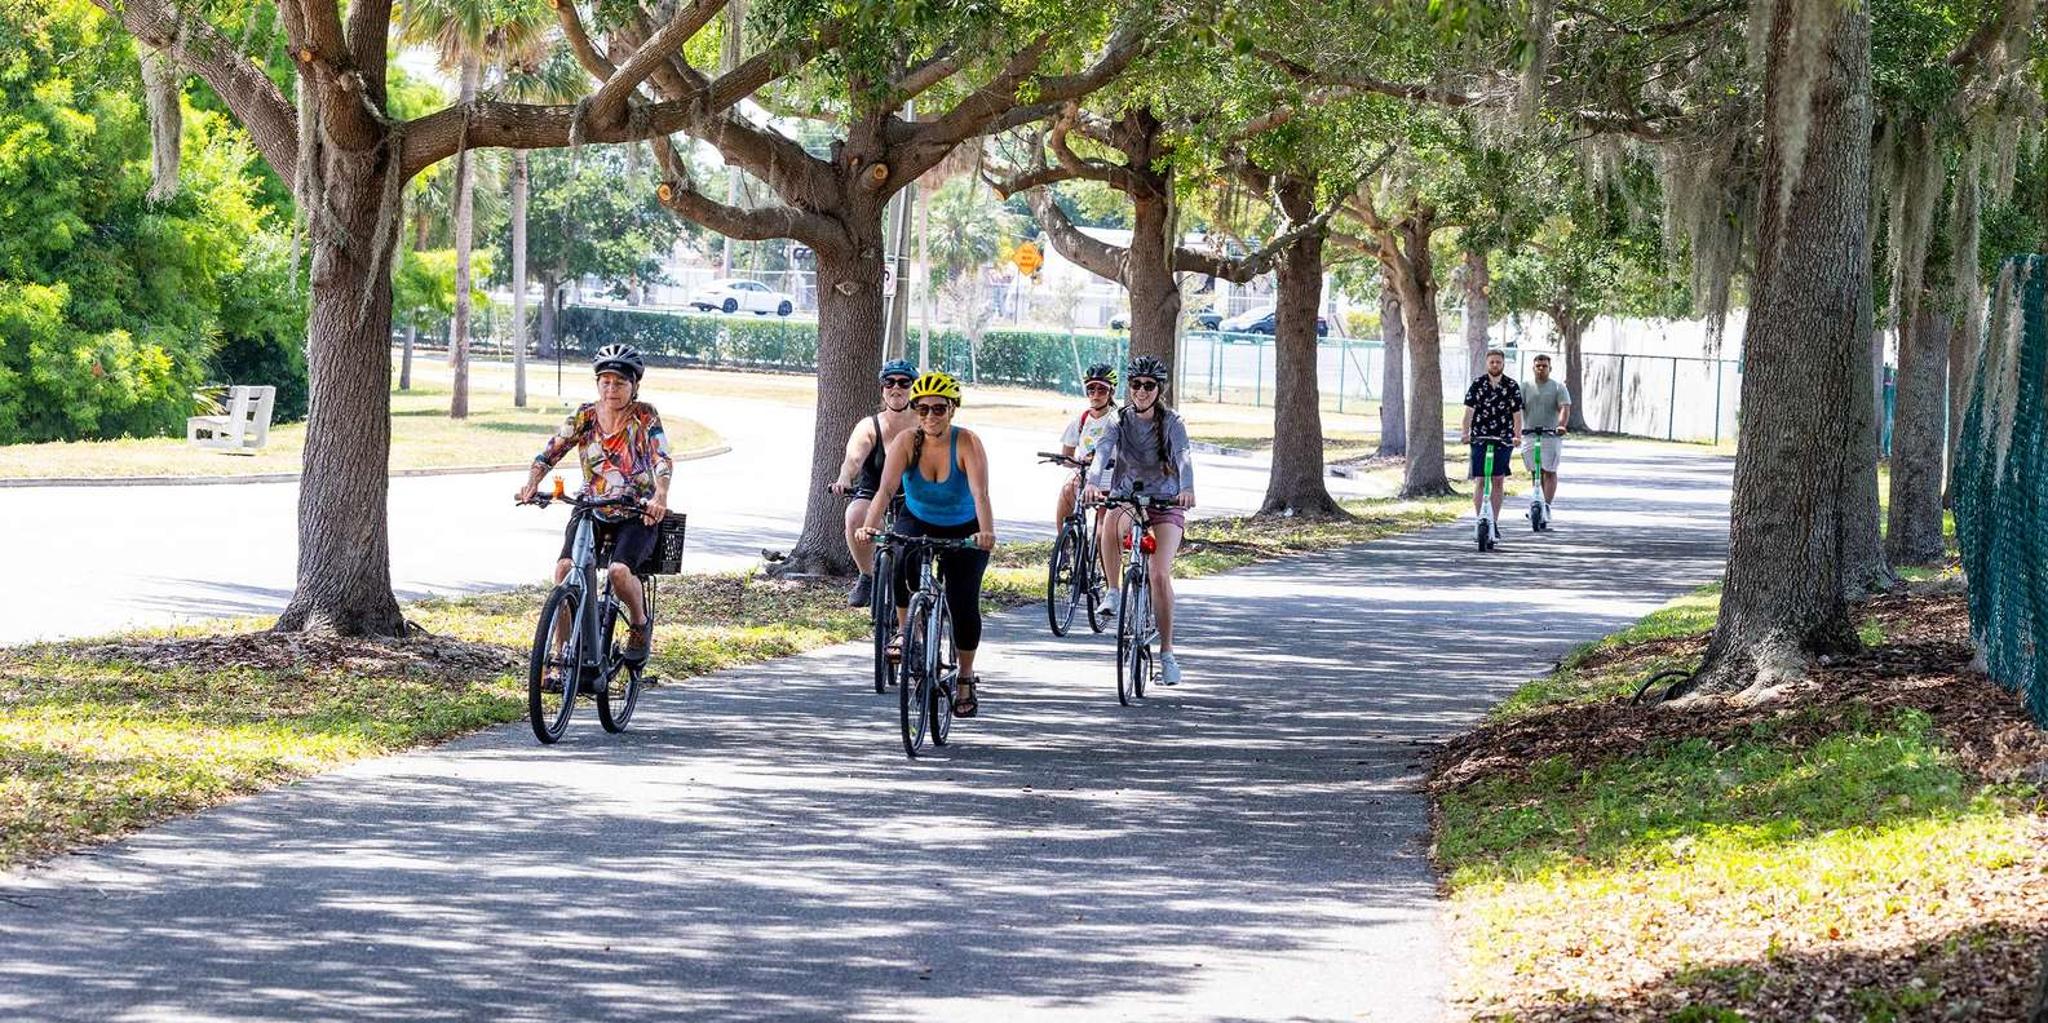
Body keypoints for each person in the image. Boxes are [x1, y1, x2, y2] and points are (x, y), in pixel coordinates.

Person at [516, 343, 674, 672]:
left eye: (620, 382)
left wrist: (660, 496)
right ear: (597, 384)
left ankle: (640, 625)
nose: (612, 389)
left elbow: (661, 458)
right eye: (605, 381)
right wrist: (532, 483)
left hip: (636, 511)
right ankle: (561, 657)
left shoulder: (644, 415)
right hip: (592, 507)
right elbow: (549, 453)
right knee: (564, 571)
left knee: (618, 572)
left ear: (635, 386)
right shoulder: (585, 416)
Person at [857, 372, 997, 717]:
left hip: (964, 526)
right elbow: (886, 490)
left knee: (963, 602)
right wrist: (869, 526)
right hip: (917, 518)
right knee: (899, 556)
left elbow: (980, 494)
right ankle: (906, 632)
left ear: (952, 409)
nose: (930, 416)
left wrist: (986, 532)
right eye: (922, 409)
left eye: (938, 409)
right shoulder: (906, 441)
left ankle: (964, 677)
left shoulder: (967, 443)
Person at [1084, 355, 1196, 686]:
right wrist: (1092, 482)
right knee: (1108, 520)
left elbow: (1183, 456)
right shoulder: (1119, 422)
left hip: (1165, 502)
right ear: (1129, 388)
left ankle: (1167, 654)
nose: (1142, 391)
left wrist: (1186, 488)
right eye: (1136, 385)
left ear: (1158, 389)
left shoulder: (1173, 422)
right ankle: (1115, 590)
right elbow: (1103, 453)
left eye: (1149, 386)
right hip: (1129, 497)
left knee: (1158, 573)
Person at [829, 358, 919, 607]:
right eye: (889, 382)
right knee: (855, 515)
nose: (896, 388)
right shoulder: (870, 425)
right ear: (882, 388)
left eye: (904, 382)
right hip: (874, 490)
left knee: (913, 544)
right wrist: (844, 478)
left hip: (913, 495)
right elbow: (853, 459)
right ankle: (867, 575)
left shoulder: (925, 423)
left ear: (913, 388)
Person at [1460, 349, 1523, 544]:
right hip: (1480, 435)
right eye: (1492, 362)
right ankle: (1481, 519)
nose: (1495, 365)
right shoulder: (1478, 384)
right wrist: (1465, 433)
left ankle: (1493, 521)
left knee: (1497, 479)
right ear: (1487, 363)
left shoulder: (1511, 385)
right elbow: (1469, 411)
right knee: (1480, 479)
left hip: (1503, 437)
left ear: (1503, 364)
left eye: (1498, 362)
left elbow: (1517, 414)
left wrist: (1517, 435)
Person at [1054, 363, 1118, 528]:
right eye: (1091, 389)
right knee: (1067, 490)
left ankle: (1102, 551)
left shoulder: (1119, 420)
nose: (1095, 395)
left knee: (1101, 532)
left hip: (1111, 480)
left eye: (1102, 390)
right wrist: (1071, 461)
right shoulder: (1081, 420)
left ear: (1111, 392)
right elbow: (1067, 456)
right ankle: (1063, 546)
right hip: (1085, 476)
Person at [1519, 353, 1573, 516]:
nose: (1541, 369)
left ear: (1550, 368)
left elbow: (1565, 407)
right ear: (1533, 368)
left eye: (1544, 366)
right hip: (1529, 434)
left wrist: (1561, 425)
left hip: (1550, 435)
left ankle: (1546, 506)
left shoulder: (1558, 387)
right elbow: (1516, 408)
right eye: (1538, 366)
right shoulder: (1525, 386)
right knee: (1535, 471)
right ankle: (1538, 500)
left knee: (1549, 470)